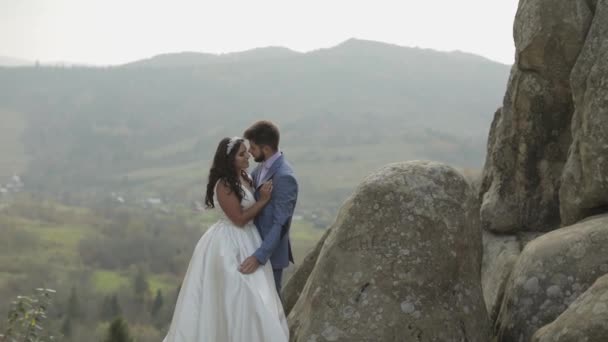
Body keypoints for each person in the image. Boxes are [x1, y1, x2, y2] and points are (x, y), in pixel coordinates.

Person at [163, 136, 289, 342]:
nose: (248, 155)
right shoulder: (224, 185)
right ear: (230, 160)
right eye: (241, 154)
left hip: (250, 239)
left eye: (247, 151)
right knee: (236, 293)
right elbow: (239, 219)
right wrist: (264, 201)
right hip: (228, 244)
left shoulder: (246, 178)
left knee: (255, 296)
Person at [239, 120, 298, 296]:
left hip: (269, 257)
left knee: (272, 312)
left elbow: (281, 224)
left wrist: (259, 256)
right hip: (252, 246)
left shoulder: (284, 177)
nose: (249, 151)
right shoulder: (261, 168)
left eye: (253, 147)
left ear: (265, 149)